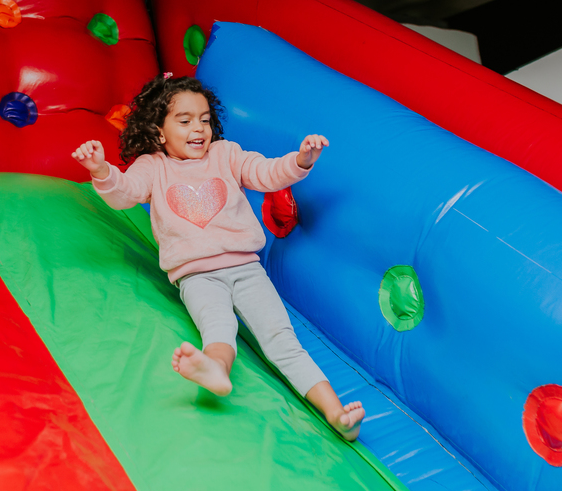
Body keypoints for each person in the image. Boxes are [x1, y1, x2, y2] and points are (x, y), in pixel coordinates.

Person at [71, 74, 365, 441]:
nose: (199, 129)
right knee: (218, 327)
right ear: (159, 132)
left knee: (283, 341)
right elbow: (125, 194)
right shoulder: (153, 166)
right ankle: (216, 371)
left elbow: (267, 172)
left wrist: (301, 159)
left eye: (205, 119)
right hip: (196, 276)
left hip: (246, 268)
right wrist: (101, 170)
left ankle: (338, 415)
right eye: (185, 120)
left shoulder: (225, 155)